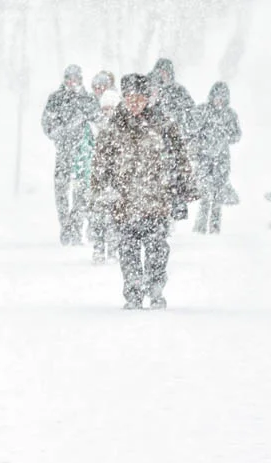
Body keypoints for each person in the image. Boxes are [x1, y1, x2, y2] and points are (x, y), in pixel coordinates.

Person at [91, 73, 195, 310]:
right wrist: (102, 192)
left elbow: (179, 160)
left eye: (139, 97)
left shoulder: (164, 126)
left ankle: (156, 288)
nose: (134, 102)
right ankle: (133, 291)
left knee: (157, 249)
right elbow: (100, 165)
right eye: (129, 97)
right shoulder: (113, 128)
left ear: (148, 99)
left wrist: (181, 191)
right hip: (124, 204)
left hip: (156, 202)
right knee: (127, 251)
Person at [41, 64, 101, 246]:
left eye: (75, 78)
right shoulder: (56, 99)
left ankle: (75, 228)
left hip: (83, 154)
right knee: (61, 191)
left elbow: (98, 120)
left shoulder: (88, 99)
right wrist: (59, 134)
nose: (72, 82)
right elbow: (46, 123)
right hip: (63, 153)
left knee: (81, 192)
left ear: (81, 80)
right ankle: (65, 226)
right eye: (69, 78)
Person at [148, 58, 197, 221]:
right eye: (160, 71)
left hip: (173, 137)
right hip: (152, 137)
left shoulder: (179, 91)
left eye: (165, 71)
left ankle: (176, 207)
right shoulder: (148, 88)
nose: (162, 75)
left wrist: (182, 125)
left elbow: (191, 113)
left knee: (176, 173)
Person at [191, 82, 241, 235]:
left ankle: (214, 227)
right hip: (204, 158)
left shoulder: (230, 114)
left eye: (221, 98)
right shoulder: (202, 110)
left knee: (218, 193)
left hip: (222, 159)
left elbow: (237, 135)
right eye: (216, 97)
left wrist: (225, 134)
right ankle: (200, 226)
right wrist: (200, 143)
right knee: (205, 193)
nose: (218, 100)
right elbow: (192, 130)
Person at [88, 70, 122, 263]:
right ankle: (99, 248)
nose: (108, 112)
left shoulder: (122, 129)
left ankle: (114, 250)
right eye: (105, 109)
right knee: (99, 216)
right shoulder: (95, 128)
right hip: (99, 178)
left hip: (117, 179)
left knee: (115, 216)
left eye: (111, 108)